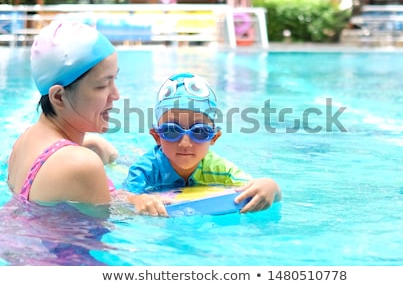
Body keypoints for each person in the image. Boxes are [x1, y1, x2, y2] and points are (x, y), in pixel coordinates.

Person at [6, 20, 159, 214]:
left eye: (114, 79)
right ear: (59, 97)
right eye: (102, 85)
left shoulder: (25, 140)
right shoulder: (82, 164)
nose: (116, 94)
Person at [122, 72, 282, 217]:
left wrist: (272, 187)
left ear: (214, 137)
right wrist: (135, 199)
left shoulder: (218, 168)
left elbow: (254, 189)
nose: (185, 143)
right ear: (157, 136)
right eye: (171, 131)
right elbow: (118, 199)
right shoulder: (146, 169)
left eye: (199, 132)